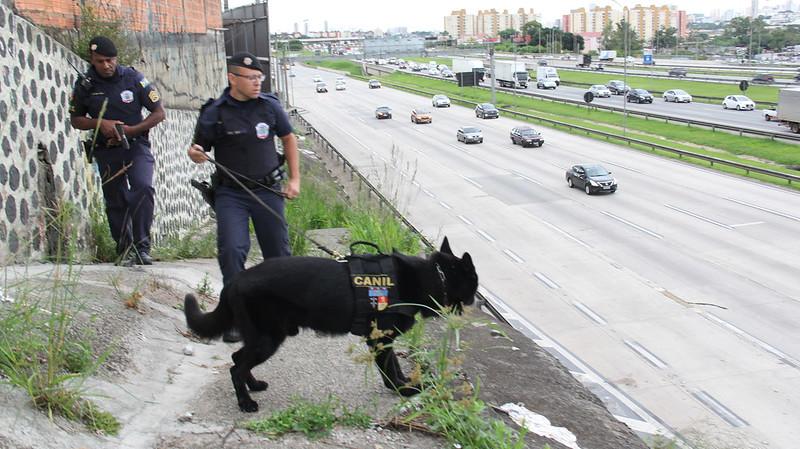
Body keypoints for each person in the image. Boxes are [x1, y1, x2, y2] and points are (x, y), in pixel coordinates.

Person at [187, 52, 300, 342]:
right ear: (232, 78)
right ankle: (237, 317)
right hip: (231, 195)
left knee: (278, 253)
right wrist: (196, 154)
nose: (257, 82)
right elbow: (199, 149)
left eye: (259, 77)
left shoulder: (270, 106)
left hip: (268, 191)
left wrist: (295, 179)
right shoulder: (214, 112)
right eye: (250, 78)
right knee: (232, 250)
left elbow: (289, 139)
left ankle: (281, 312)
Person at [69, 36, 166, 266]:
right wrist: (99, 123)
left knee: (143, 187)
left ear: (116, 58)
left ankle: (142, 247)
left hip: (136, 146)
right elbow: (76, 119)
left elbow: (158, 113)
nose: (106, 65)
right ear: (92, 60)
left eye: (110, 60)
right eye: (100, 61)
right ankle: (125, 250)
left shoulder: (133, 78)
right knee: (116, 199)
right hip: (106, 150)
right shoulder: (85, 85)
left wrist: (133, 130)